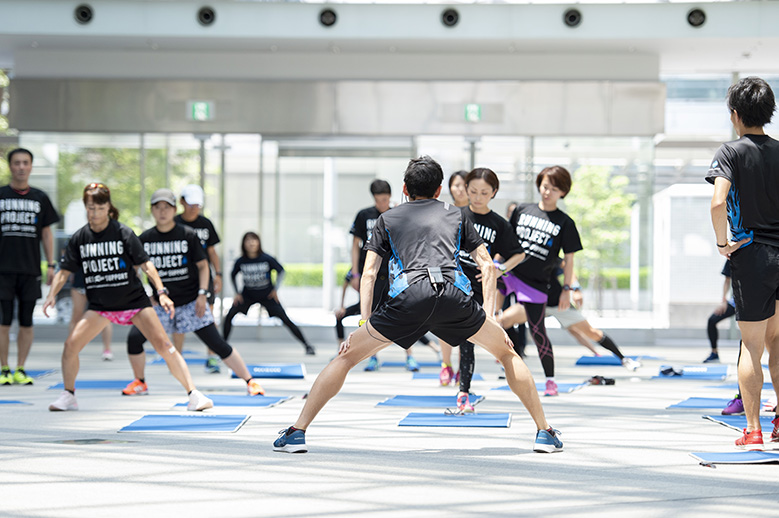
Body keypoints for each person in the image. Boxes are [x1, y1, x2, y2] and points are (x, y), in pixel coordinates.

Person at [273, 156, 562, 454]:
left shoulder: (388, 218)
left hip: (409, 298)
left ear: (404, 189)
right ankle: (544, 431)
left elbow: (370, 273)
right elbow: (488, 267)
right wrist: (489, 318)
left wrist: (363, 322)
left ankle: (297, 432)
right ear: (439, 190)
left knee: (345, 358)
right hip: (453, 297)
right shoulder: (457, 214)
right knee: (506, 352)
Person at [42, 183, 213, 412]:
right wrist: (51, 295)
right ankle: (69, 394)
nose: (94, 213)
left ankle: (194, 394)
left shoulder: (123, 233)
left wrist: (161, 292)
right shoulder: (80, 238)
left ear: (108, 208)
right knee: (71, 345)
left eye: (99, 208)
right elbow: (64, 272)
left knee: (164, 345)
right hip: (101, 305)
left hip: (133, 302)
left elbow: (147, 265)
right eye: (90, 208)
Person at [121, 189, 264, 397]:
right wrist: (145, 297)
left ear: (174, 210)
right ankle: (140, 381)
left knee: (217, 343)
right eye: (158, 208)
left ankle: (250, 381)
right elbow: (135, 271)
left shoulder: (187, 234)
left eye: (166, 208)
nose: (162, 212)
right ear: (152, 210)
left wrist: (202, 294)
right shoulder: (144, 238)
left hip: (190, 302)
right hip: (162, 304)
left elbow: (204, 266)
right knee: (134, 338)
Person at [706, 76, 779, 449]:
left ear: (735, 115)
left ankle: (754, 430)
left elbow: (719, 202)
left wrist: (723, 244)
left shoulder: (730, 152)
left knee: (751, 345)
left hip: (752, 255)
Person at [502, 166, 583, 396]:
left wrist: (567, 289)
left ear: (563, 193)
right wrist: (494, 265)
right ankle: (503, 365)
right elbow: (506, 241)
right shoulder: (522, 210)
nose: (547, 192)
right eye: (545, 186)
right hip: (509, 273)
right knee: (492, 317)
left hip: (536, 283)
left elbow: (569, 259)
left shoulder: (565, 223)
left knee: (538, 331)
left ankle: (550, 380)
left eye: (554, 189)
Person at [452, 168, 527, 413]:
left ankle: (464, 391)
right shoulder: (454, 216)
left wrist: (499, 268)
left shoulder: (498, 224)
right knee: (462, 338)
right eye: (472, 191)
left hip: (480, 289)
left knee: (471, 338)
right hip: (454, 286)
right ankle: (463, 390)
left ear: (494, 193)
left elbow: (519, 254)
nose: (477, 197)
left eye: (484, 192)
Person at [499, 259, 641, 371]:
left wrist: (576, 289)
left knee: (591, 332)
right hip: (533, 302)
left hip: (558, 303)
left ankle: (623, 359)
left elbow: (568, 267)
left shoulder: (546, 252)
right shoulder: (517, 255)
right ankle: (517, 364)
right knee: (503, 321)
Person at [0, 148, 59, 386]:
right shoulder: (1, 195)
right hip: (3, 269)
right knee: (3, 321)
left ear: (31, 167)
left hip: (30, 269)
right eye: (16, 163)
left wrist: (52, 264)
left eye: (25, 163)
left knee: (26, 321)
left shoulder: (40, 198)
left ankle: (20, 368)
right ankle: (4, 369)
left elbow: (47, 233)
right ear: (10, 166)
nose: (21, 167)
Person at [350, 180, 420, 371]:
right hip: (371, 272)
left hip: (393, 271)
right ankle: (372, 357)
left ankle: (409, 356)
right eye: (379, 200)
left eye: (386, 199)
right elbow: (355, 247)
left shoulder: (396, 214)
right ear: (374, 198)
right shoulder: (364, 215)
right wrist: (355, 273)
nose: (383, 203)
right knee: (370, 314)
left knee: (404, 312)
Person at [223, 232, 315, 355]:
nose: (251, 243)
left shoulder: (266, 258)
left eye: (254, 240)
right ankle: (222, 347)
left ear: (258, 242)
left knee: (285, 319)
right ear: (243, 244)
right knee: (230, 315)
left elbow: (281, 271)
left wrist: (275, 289)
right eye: (248, 240)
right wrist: (236, 293)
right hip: (247, 295)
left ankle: (307, 345)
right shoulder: (241, 261)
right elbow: (232, 274)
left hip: (267, 295)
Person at [334, 269, 440, 359]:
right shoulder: (359, 269)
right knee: (341, 317)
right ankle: (343, 351)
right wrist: (342, 306)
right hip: (365, 306)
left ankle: (416, 354)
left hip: (383, 304)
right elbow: (346, 283)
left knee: (405, 326)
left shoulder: (385, 269)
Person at [174, 184, 224, 374]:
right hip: (181, 278)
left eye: (197, 205)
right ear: (182, 202)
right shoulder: (174, 223)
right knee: (178, 318)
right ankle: (177, 358)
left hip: (204, 279)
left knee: (208, 317)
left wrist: (217, 274)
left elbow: (212, 252)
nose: (194, 208)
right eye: (190, 204)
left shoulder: (205, 224)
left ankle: (212, 357)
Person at [439, 170, 470, 385]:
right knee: (443, 321)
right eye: (455, 185)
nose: (459, 189)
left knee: (465, 325)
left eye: (463, 185)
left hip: (469, 276)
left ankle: (462, 368)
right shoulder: (444, 212)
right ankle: (446, 364)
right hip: (447, 273)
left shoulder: (475, 213)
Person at [69, 269, 114, 361]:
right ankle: (72, 348)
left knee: (105, 316)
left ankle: (107, 349)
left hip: (100, 282)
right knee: (76, 316)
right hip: (80, 281)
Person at [704, 260, 736, 363]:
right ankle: (714, 353)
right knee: (712, 320)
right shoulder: (732, 257)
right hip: (736, 302)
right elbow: (727, 280)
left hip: (755, 302)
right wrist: (724, 301)